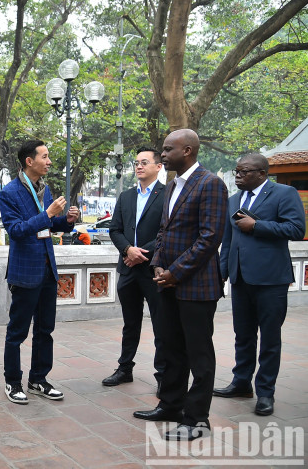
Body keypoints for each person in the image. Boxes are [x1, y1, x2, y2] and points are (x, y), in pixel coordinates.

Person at [132, 129, 227, 442]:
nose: (162, 155)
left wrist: (176, 271)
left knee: (198, 354)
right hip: (168, 282)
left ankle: (197, 419)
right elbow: (164, 232)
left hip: (196, 285)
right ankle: (170, 405)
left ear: (187, 150)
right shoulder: (172, 185)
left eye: (167, 150)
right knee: (170, 347)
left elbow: (210, 237)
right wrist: (159, 264)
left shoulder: (210, 183)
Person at [214, 153, 305, 416]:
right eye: (237, 171)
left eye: (244, 172)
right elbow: (227, 242)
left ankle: (265, 393)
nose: (238, 176)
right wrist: (222, 274)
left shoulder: (284, 194)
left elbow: (296, 229)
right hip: (240, 279)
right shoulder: (233, 200)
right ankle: (241, 383)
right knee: (242, 336)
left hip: (271, 280)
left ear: (262, 174)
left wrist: (257, 225)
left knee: (269, 339)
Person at [0, 140, 80, 405]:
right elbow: (17, 231)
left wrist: (66, 220)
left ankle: (38, 380)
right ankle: (13, 382)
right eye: (44, 157)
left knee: (45, 329)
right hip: (24, 272)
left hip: (47, 270)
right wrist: (48, 213)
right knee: (17, 332)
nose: (49, 161)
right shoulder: (9, 192)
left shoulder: (43, 189)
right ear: (29, 161)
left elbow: (48, 224)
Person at [105, 147, 166, 390]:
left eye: (144, 162)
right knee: (130, 323)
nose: (139, 166)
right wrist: (128, 250)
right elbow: (114, 229)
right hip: (128, 268)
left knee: (162, 324)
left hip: (155, 269)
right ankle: (124, 368)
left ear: (158, 166)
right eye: (136, 163)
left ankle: (163, 375)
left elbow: (167, 231)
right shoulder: (127, 196)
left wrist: (141, 253)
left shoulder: (168, 194)